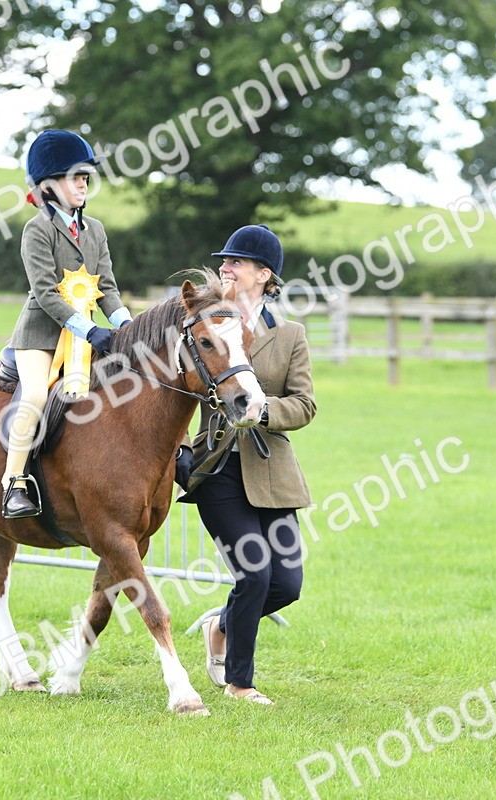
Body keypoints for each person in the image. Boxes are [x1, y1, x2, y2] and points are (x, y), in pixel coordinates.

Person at [176, 224, 316, 705]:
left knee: (286, 584)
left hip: (273, 470)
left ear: (264, 274)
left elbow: (304, 404)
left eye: (237, 262)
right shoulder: (205, 321)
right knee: (253, 574)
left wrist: (265, 412)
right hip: (217, 469)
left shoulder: (290, 335)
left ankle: (220, 624)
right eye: (225, 260)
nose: (226, 267)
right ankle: (240, 683)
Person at [2, 129, 132, 519]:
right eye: (74, 176)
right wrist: (90, 330)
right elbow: (45, 293)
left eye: (86, 177)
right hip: (39, 338)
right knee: (37, 397)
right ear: (48, 186)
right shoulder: (36, 230)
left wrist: (127, 328)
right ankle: (14, 484)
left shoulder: (96, 230)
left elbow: (106, 287)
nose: (83, 183)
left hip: (84, 341)